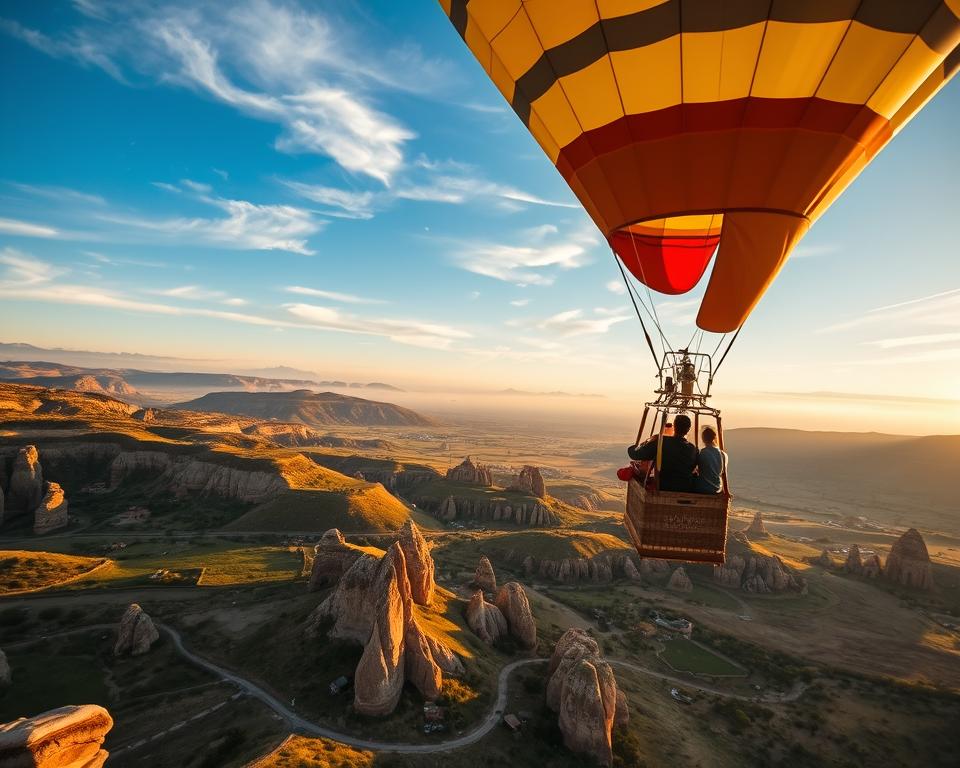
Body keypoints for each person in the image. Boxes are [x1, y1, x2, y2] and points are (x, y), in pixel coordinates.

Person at [627, 414, 698, 492]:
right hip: (686, 487)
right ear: (688, 429)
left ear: (674, 426)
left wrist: (633, 448)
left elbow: (636, 455)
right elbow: (693, 467)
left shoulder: (661, 443)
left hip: (664, 487)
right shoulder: (693, 449)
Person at [694, 425, 728, 494]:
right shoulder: (723, 454)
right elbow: (723, 474)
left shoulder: (702, 453)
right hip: (717, 488)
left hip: (703, 487)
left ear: (703, 439)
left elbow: (696, 468)